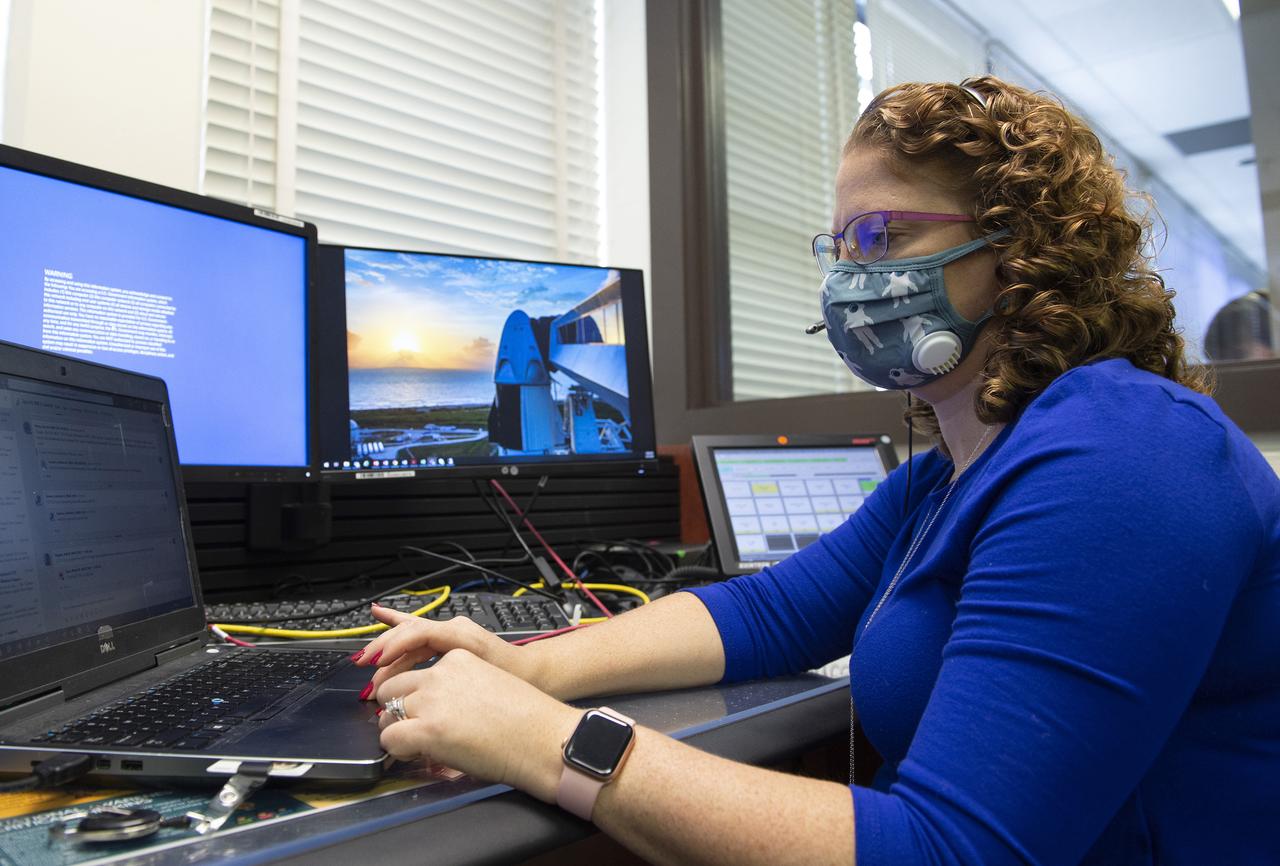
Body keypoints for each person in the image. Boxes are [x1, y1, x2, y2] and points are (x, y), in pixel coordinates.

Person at [350, 76, 1280, 865]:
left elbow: (954, 851)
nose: (845, 280)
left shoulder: (1128, 456)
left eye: (879, 237)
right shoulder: (949, 476)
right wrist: (526, 665)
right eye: (839, 247)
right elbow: (769, 612)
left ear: (1018, 248)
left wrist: (547, 740)